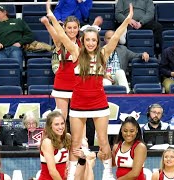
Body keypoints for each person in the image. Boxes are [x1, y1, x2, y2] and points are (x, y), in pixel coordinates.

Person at [46, 1, 133, 179]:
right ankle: (70, 175)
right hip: (78, 104)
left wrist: (127, 20)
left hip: (99, 103)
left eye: (94, 40)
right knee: (76, 143)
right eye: (88, 40)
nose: (91, 42)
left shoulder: (103, 54)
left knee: (102, 141)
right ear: (83, 40)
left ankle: (107, 173)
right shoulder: (76, 52)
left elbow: (115, 37)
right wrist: (51, 16)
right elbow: (62, 36)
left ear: (98, 41)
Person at [41, 15, 102, 120]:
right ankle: (61, 136)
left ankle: (80, 137)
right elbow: (54, 33)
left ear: (79, 28)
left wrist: (95, 24)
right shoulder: (60, 41)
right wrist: (47, 23)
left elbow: (92, 39)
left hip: (79, 82)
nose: (72, 30)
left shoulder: (83, 43)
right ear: (64, 28)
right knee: (62, 116)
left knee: (80, 115)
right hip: (62, 82)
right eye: (69, 28)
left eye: (74, 27)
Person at [0, 5, 34, 70]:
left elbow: (30, 35)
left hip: (15, 49)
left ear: (4, 12)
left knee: (16, 67)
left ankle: (18, 79)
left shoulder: (18, 22)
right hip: (0, 51)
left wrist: (20, 43)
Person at [39, 111, 71, 180]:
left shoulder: (67, 137)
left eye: (62, 123)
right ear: (50, 126)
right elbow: (52, 171)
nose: (60, 127)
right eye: (56, 124)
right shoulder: (47, 142)